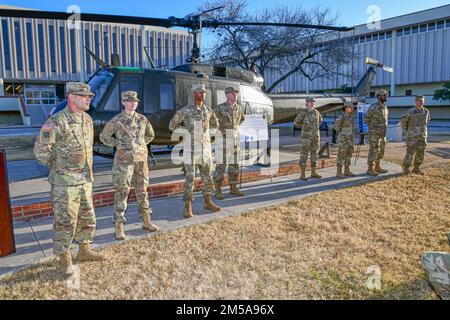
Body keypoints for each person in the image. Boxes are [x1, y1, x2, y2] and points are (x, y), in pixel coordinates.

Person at [34, 82, 105, 277]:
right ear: (71, 97)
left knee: (87, 217)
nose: (89, 98)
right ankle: (64, 259)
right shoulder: (55, 121)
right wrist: (60, 167)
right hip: (65, 183)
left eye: (89, 95)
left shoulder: (88, 120)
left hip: (84, 180)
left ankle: (84, 250)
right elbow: (40, 151)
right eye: (84, 95)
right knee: (65, 222)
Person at [100, 91, 159, 241]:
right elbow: (104, 137)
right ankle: (119, 226)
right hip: (123, 162)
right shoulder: (117, 120)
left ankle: (146, 221)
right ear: (123, 102)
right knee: (122, 192)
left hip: (141, 161)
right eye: (129, 101)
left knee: (142, 191)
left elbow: (150, 135)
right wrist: (118, 144)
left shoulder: (142, 119)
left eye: (135, 101)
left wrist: (139, 146)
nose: (133, 103)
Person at [169, 84, 221, 218]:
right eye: (199, 92)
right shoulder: (185, 111)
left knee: (207, 177)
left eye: (203, 92)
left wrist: (210, 134)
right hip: (190, 150)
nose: (202, 94)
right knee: (190, 178)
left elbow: (216, 124)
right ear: (194, 94)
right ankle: (187, 207)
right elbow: (172, 125)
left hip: (205, 150)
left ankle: (208, 202)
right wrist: (185, 132)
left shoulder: (208, 111)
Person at [213, 86, 245, 200]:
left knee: (234, 165)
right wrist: (222, 131)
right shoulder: (220, 108)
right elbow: (212, 122)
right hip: (223, 142)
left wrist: (234, 130)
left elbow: (241, 119)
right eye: (232, 93)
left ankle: (233, 187)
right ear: (227, 95)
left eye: (236, 93)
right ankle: (217, 189)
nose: (235, 95)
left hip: (235, 141)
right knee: (221, 166)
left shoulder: (238, 108)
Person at [294, 96, 323, 181]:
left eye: (313, 102)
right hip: (306, 138)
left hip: (315, 138)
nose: (312, 103)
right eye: (310, 102)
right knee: (304, 155)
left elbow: (320, 121)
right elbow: (296, 123)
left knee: (314, 155)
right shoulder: (303, 113)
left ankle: (313, 172)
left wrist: (314, 129)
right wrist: (305, 128)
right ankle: (302, 174)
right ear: (307, 103)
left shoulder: (317, 113)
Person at [401, 95, 431, 175]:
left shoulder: (426, 111)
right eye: (419, 100)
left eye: (422, 100)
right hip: (412, 136)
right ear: (416, 101)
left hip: (422, 136)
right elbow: (404, 121)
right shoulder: (410, 111)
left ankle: (416, 168)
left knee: (421, 152)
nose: (421, 102)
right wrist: (408, 130)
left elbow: (427, 121)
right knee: (410, 152)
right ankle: (406, 169)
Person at [365, 89, 389, 176]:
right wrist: (373, 128)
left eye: (386, 95)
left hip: (383, 133)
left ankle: (377, 167)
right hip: (375, 134)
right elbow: (366, 118)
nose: (386, 96)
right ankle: (370, 168)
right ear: (378, 96)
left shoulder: (385, 107)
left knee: (380, 150)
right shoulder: (373, 107)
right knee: (374, 150)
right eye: (383, 95)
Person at [334, 103, 356, 178]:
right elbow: (336, 127)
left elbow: (352, 128)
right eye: (351, 107)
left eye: (352, 107)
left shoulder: (351, 117)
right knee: (341, 155)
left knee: (349, 155)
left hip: (350, 139)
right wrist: (343, 133)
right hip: (343, 139)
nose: (352, 108)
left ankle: (347, 171)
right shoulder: (341, 116)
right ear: (346, 108)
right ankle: (339, 172)